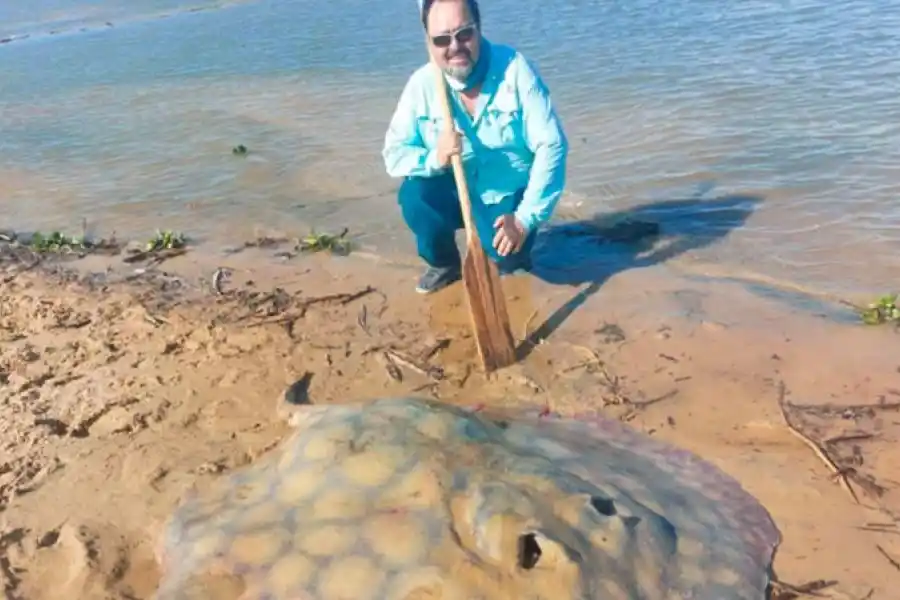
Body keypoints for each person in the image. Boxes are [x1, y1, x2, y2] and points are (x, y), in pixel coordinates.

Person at [382, 0, 569, 294]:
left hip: (506, 200)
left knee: (508, 264)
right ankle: (444, 263)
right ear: (429, 42)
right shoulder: (421, 85)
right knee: (415, 195)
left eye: (464, 34)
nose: (455, 46)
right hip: (454, 190)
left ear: (479, 29)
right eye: (442, 39)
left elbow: (552, 146)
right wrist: (436, 157)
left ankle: (511, 250)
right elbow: (394, 155)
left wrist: (523, 220)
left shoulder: (516, 70)